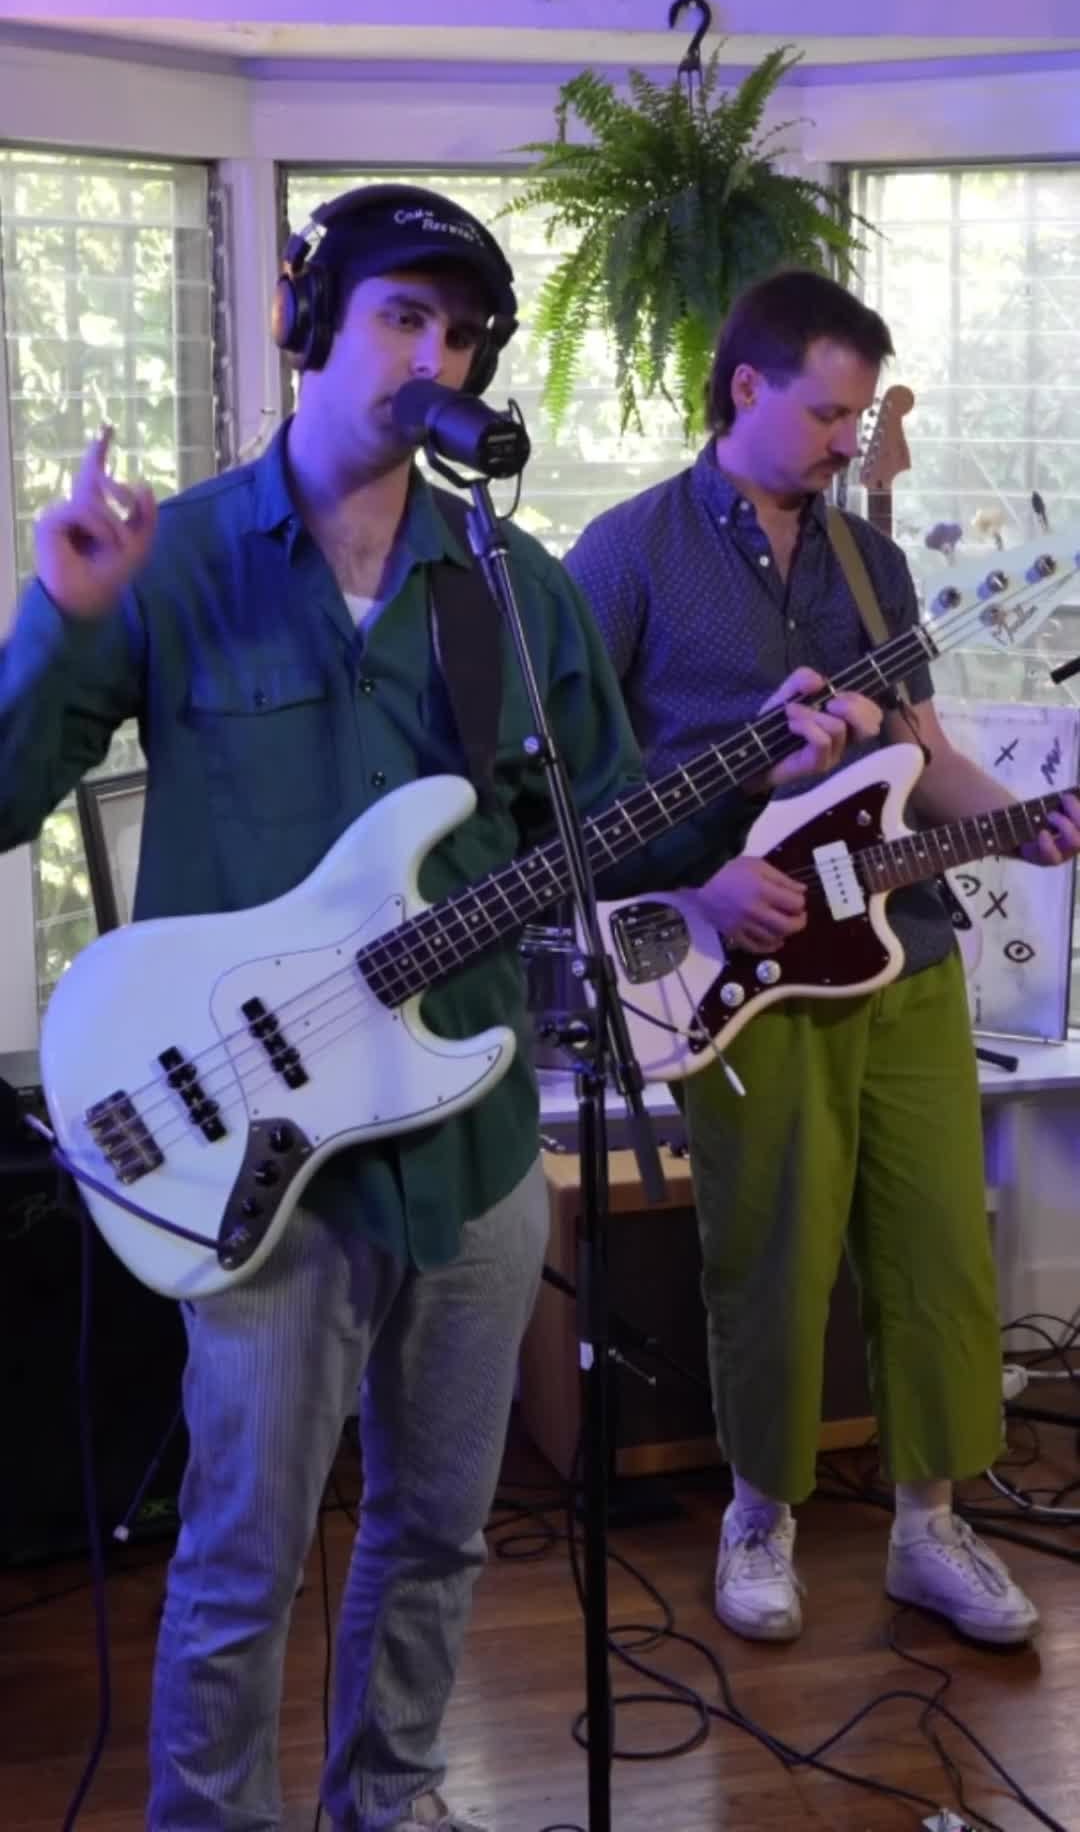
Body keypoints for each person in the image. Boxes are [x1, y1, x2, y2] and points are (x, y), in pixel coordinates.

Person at [0, 194, 880, 1832]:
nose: (435, 357)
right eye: (403, 316)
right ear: (310, 325)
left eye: (462, 333)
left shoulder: (505, 587)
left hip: (466, 1150)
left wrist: (753, 764)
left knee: (435, 1538)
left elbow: (608, 826)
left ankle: (391, 1802)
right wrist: (64, 621)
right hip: (261, 1166)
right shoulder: (174, 558)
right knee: (244, 1556)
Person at [567, 267, 1080, 1650]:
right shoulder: (624, 556)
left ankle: (930, 1526)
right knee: (772, 1258)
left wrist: (1024, 824)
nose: (851, 442)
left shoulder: (870, 562)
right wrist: (701, 885)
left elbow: (923, 749)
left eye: (859, 418)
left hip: (908, 950)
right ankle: (760, 1516)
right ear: (746, 388)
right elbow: (559, 794)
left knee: (938, 1251)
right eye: (829, 414)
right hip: (747, 970)